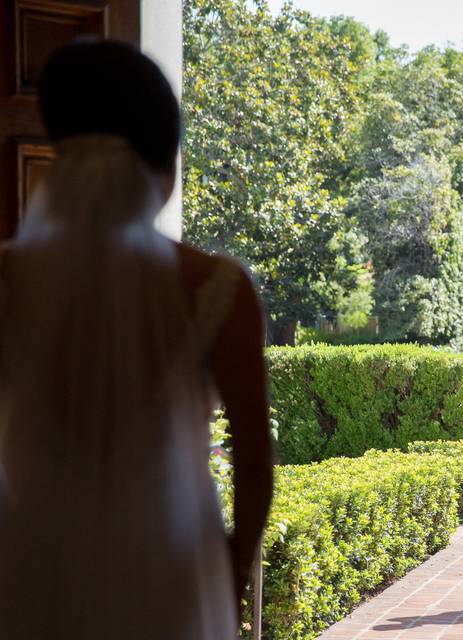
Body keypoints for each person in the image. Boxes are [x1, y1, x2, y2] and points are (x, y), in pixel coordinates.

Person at [0, 40, 273, 639]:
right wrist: (228, 572)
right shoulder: (215, 288)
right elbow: (254, 462)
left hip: (28, 567)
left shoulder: (7, 281)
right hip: (171, 576)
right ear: (162, 161)